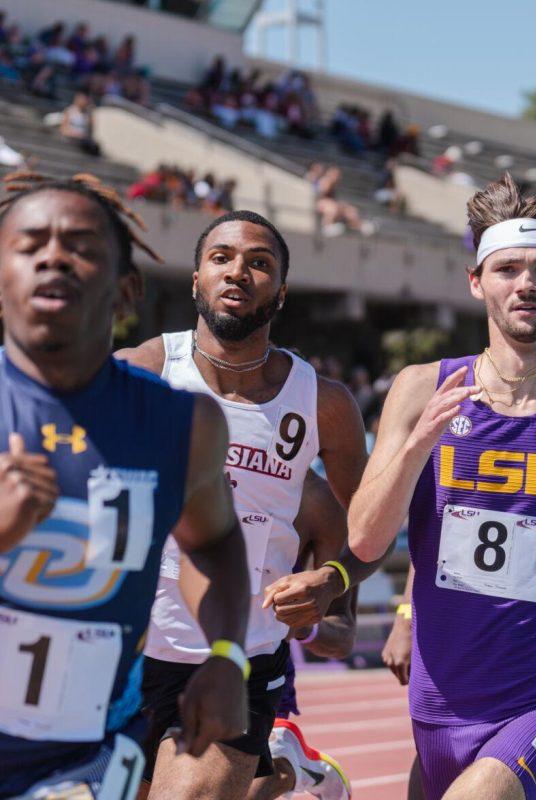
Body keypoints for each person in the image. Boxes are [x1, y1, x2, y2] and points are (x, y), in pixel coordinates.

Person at [265, 174, 536, 800]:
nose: (526, 284)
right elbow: (367, 538)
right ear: (475, 281)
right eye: (507, 267)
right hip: (441, 698)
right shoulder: (421, 386)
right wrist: (414, 447)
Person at [0, 171, 250, 797]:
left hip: (85, 755)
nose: (53, 256)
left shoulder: (181, 424)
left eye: (81, 246)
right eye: (29, 245)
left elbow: (212, 541)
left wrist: (226, 656)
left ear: (125, 290)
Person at [115, 210, 368, 799]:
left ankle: (273, 763)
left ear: (279, 292)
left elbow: (366, 525)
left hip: (240, 655)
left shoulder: (323, 403)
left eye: (259, 263)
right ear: (197, 279)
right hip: (124, 656)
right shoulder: (141, 373)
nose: (238, 272)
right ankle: (286, 772)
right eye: (222, 258)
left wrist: (334, 589)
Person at [252, 471, 360, 800]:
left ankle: (292, 766)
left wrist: (303, 624)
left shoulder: (321, 503)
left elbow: (342, 635)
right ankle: (287, 760)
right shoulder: (184, 462)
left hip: (263, 667)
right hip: (174, 654)